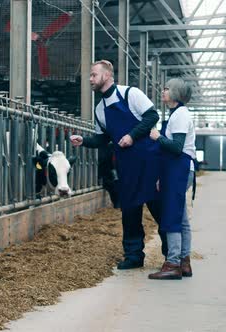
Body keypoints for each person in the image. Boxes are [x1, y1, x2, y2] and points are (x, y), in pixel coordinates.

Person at [71, 60, 166, 269]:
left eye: (94, 75)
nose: (90, 79)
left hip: (150, 163)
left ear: (106, 75)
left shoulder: (130, 93)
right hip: (127, 167)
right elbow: (103, 138)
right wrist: (84, 140)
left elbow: (152, 116)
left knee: (160, 210)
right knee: (130, 213)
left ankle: (172, 256)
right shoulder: (100, 109)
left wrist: (132, 136)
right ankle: (133, 256)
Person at [148, 78, 195, 280]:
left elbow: (177, 147)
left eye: (166, 88)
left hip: (179, 168)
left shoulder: (180, 116)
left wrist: (157, 137)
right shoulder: (177, 114)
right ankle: (184, 262)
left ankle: (173, 263)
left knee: (171, 215)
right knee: (181, 217)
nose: (163, 91)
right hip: (176, 169)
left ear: (175, 93)